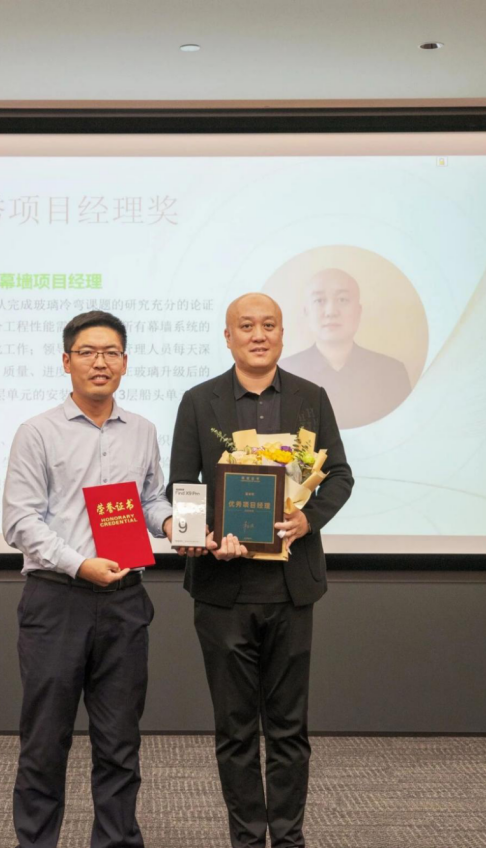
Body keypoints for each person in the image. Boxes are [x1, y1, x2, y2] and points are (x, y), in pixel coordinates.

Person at [168, 292, 353, 848]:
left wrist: (307, 520)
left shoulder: (310, 398)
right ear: (228, 337)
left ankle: (289, 839)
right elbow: (183, 488)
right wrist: (202, 536)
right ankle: (247, 839)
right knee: (236, 730)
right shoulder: (199, 401)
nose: (258, 334)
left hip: (291, 590)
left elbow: (339, 475)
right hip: (223, 591)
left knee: (290, 729)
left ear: (282, 334)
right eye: (245, 326)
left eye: (268, 325)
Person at [3, 310, 173, 848]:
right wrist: (80, 563)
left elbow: (151, 500)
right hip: (58, 600)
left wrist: (173, 523)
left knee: (120, 744)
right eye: (87, 352)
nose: (100, 362)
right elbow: (20, 521)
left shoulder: (142, 431)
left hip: (124, 602)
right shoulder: (37, 432)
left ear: (125, 362)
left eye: (111, 353)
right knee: (45, 743)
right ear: (66, 361)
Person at [279, 268, 412, 429]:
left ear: (358, 311)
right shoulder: (282, 374)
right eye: (319, 301)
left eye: (342, 300)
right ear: (306, 312)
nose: (331, 312)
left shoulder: (392, 373)